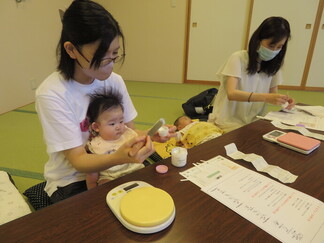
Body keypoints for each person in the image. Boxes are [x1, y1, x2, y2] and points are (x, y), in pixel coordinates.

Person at [35, 0, 175, 203]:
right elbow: (79, 161)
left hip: (118, 167)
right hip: (73, 179)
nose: (110, 66)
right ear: (72, 50)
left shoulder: (114, 82)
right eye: (102, 57)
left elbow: (127, 132)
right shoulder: (52, 93)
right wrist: (120, 157)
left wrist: (152, 135)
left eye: (115, 54)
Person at [208, 16, 295, 133]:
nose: (274, 50)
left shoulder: (274, 65)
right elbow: (231, 93)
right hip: (228, 121)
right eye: (271, 45)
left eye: (279, 47)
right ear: (259, 39)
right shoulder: (238, 58)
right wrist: (266, 97)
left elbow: (273, 93)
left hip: (255, 121)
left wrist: (283, 100)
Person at [85, 90, 144, 189]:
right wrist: (92, 191)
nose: (119, 127)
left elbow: (139, 148)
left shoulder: (127, 134)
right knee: (104, 185)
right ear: (96, 127)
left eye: (121, 121)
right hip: (110, 176)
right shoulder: (96, 145)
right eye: (112, 124)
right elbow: (92, 173)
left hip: (134, 169)